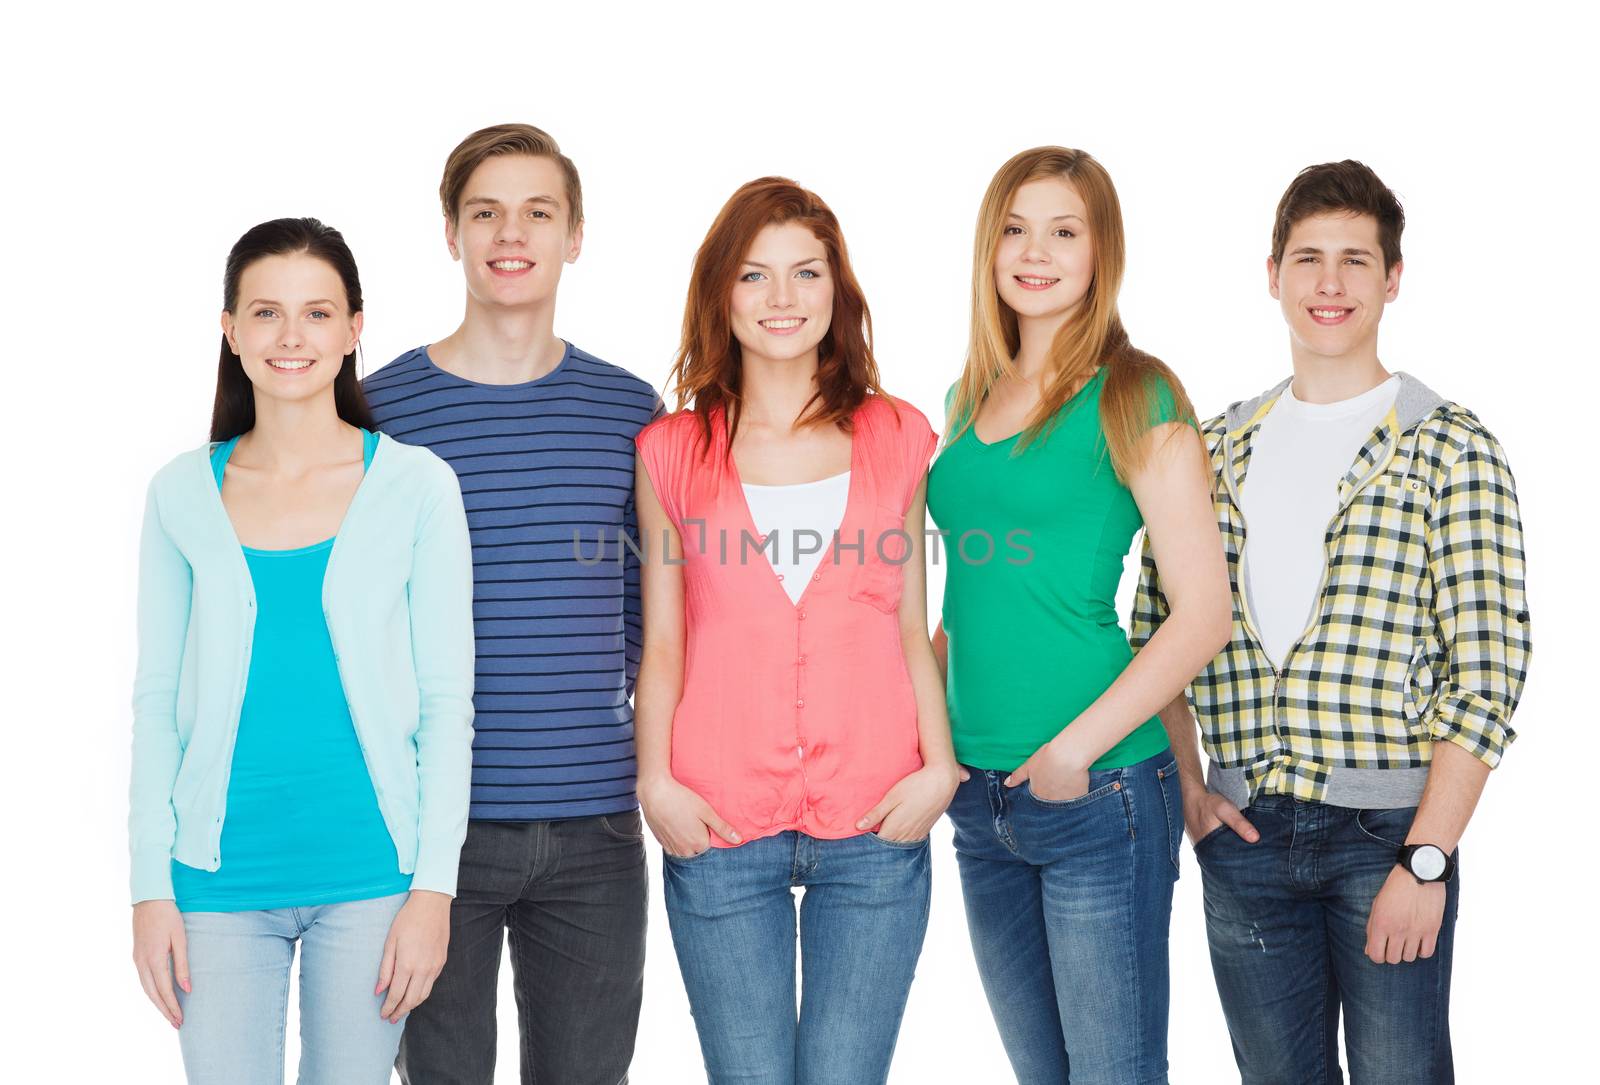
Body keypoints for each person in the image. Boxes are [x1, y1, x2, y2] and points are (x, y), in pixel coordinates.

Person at [1132, 159, 1531, 1083]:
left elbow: (1488, 670)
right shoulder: (1215, 444)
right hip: (1245, 838)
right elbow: (1156, 635)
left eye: (1356, 260)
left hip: (1385, 838)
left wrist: (1426, 860)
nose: (1330, 283)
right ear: (1271, 273)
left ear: (1393, 279)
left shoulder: (1449, 446)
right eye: (1308, 258)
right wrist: (1190, 789)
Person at [129, 217, 476, 1084]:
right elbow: (154, 698)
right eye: (267, 313)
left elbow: (447, 702)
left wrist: (433, 889)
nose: (292, 337)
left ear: (356, 329)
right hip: (214, 881)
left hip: (370, 875)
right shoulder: (180, 493)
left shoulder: (418, 486)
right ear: (231, 329)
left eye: (318, 313)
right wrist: (148, 886)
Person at [633, 177, 957, 1085]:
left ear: (836, 291)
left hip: (877, 812)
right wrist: (654, 780)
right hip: (719, 814)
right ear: (721, 297)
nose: (782, 299)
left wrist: (939, 768)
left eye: (805, 273)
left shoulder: (899, 435)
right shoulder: (671, 450)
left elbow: (910, 619)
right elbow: (666, 641)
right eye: (754, 276)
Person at [361, 123, 661, 1085]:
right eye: (485, 211)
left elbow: (651, 619)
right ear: (451, 232)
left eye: (538, 211)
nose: (510, 232)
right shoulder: (380, 411)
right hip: (431, 837)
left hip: (597, 829)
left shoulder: (628, 410)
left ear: (576, 235)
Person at [926, 147, 1233, 1084]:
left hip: (1099, 792)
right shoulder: (966, 396)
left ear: (1102, 253)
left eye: (1065, 231)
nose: (1036, 251)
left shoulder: (1138, 392)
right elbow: (964, 607)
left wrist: (1072, 753)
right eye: (1015, 228)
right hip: (980, 799)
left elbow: (1203, 614)